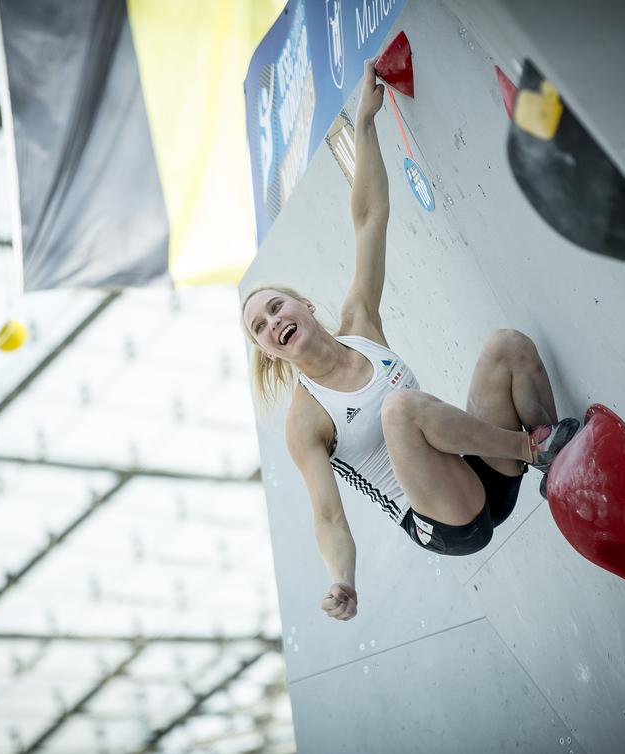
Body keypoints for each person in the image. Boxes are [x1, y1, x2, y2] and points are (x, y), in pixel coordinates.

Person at [241, 59, 578, 622]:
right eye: (261, 329)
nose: (272, 322)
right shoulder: (305, 420)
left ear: (306, 306)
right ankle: (532, 450)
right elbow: (328, 517)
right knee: (399, 410)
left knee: (506, 348)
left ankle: (556, 463)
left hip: (479, 468)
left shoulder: (360, 324)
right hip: (448, 521)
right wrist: (342, 581)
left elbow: (371, 217)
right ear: (273, 352)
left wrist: (367, 123)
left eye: (276, 307)